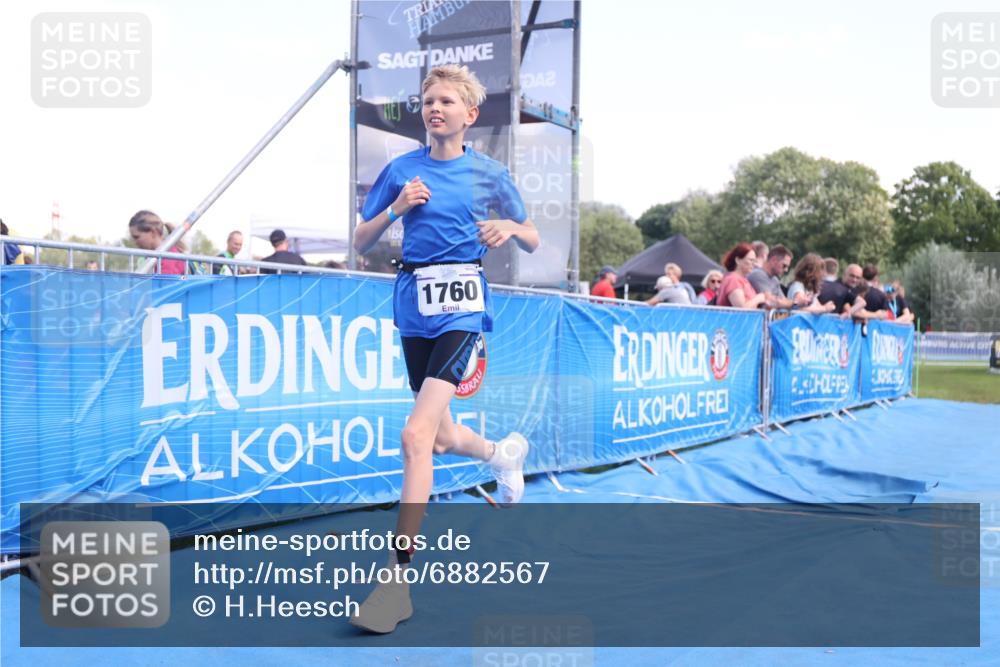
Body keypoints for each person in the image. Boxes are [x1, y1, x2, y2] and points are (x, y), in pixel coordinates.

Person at [350, 64, 540, 633]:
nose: (434, 108)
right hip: (414, 305)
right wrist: (397, 209)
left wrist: (510, 228)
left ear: (469, 114)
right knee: (441, 436)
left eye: (446, 101)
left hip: (462, 308)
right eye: (428, 100)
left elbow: (532, 236)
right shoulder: (401, 171)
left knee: (415, 436)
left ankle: (396, 584)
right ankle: (501, 454)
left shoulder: (489, 174)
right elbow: (360, 239)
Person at [128, 210, 187, 274]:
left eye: (136, 237)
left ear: (153, 232)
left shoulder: (168, 257)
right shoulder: (151, 257)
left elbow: (164, 280)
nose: (135, 242)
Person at [716, 243, 770, 309]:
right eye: (751, 260)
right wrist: (758, 298)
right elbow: (742, 309)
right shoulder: (733, 280)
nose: (753, 264)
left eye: (754, 261)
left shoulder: (743, 280)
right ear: (738, 260)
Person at [747, 244, 794, 309]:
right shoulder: (757, 275)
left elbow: (784, 301)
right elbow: (771, 301)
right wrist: (791, 302)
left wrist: (788, 303)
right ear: (774, 260)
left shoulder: (775, 280)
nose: (786, 270)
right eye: (784, 266)